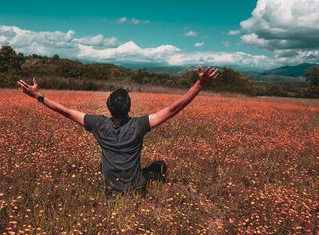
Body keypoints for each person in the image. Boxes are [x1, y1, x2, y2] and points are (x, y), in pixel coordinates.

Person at [17, 66, 219, 194]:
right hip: (136, 188)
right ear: (129, 107)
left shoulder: (97, 124)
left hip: (110, 188)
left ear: (108, 106)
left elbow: (66, 111)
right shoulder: (139, 125)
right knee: (159, 165)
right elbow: (174, 108)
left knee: (103, 164)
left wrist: (37, 96)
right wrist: (199, 84)